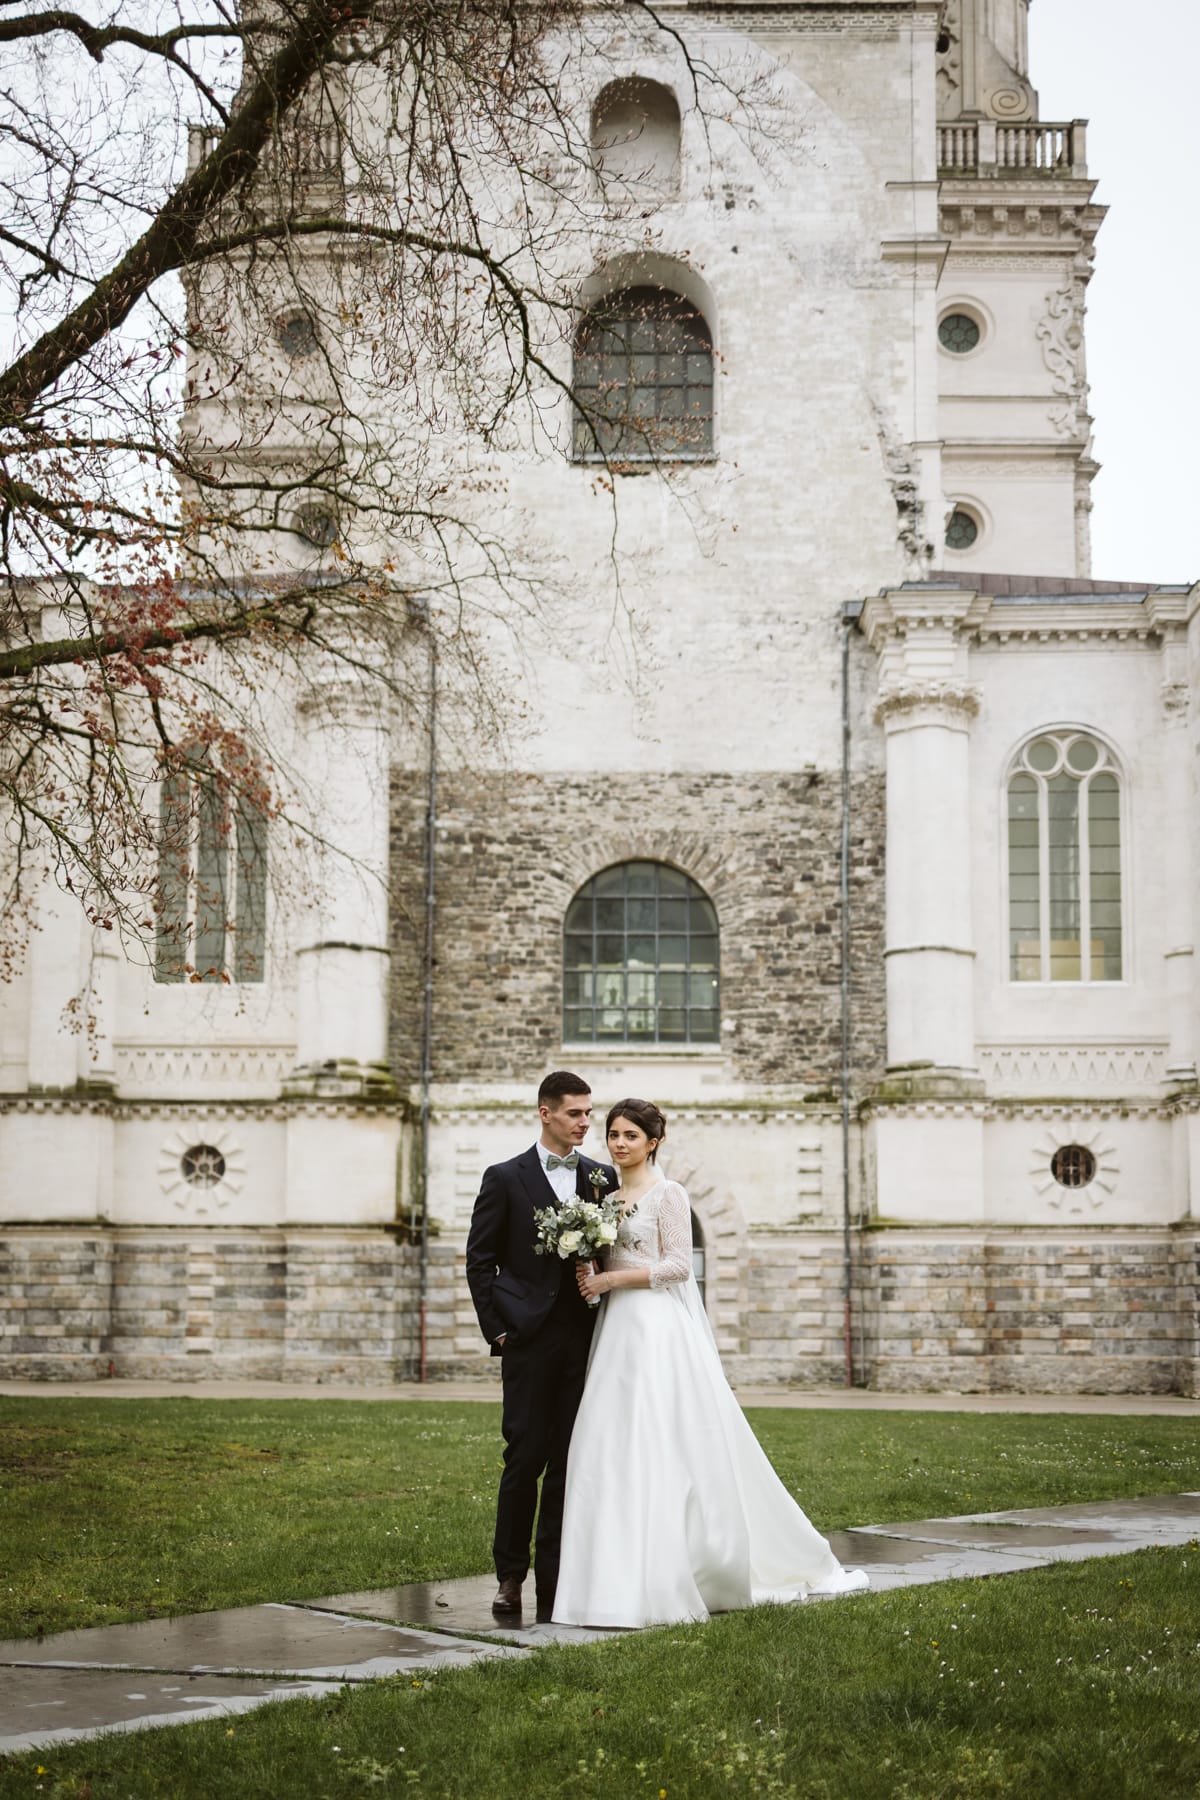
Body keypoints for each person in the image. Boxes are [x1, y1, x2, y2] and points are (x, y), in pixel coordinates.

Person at [552, 1097, 868, 1628]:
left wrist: (610, 1279)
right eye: (613, 1134)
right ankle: (610, 1576)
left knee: (660, 1438)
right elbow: (607, 1255)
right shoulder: (602, 1194)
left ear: (653, 1141)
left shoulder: (669, 1194)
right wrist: (588, 1264)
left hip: (655, 1328)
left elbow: (677, 1266)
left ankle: (683, 1570)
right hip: (616, 1333)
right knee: (610, 1440)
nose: (619, 1143)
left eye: (630, 1135)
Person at [465, 1071, 618, 1622]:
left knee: (569, 1461)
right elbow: (480, 1261)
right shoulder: (505, 1177)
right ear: (544, 1112)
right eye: (575, 1113)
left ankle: (557, 1575)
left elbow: (614, 1256)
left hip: (584, 1338)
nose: (585, 1123)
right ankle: (510, 1575)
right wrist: (497, 1330)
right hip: (527, 1340)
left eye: (587, 1113)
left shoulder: (602, 1179)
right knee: (523, 1456)